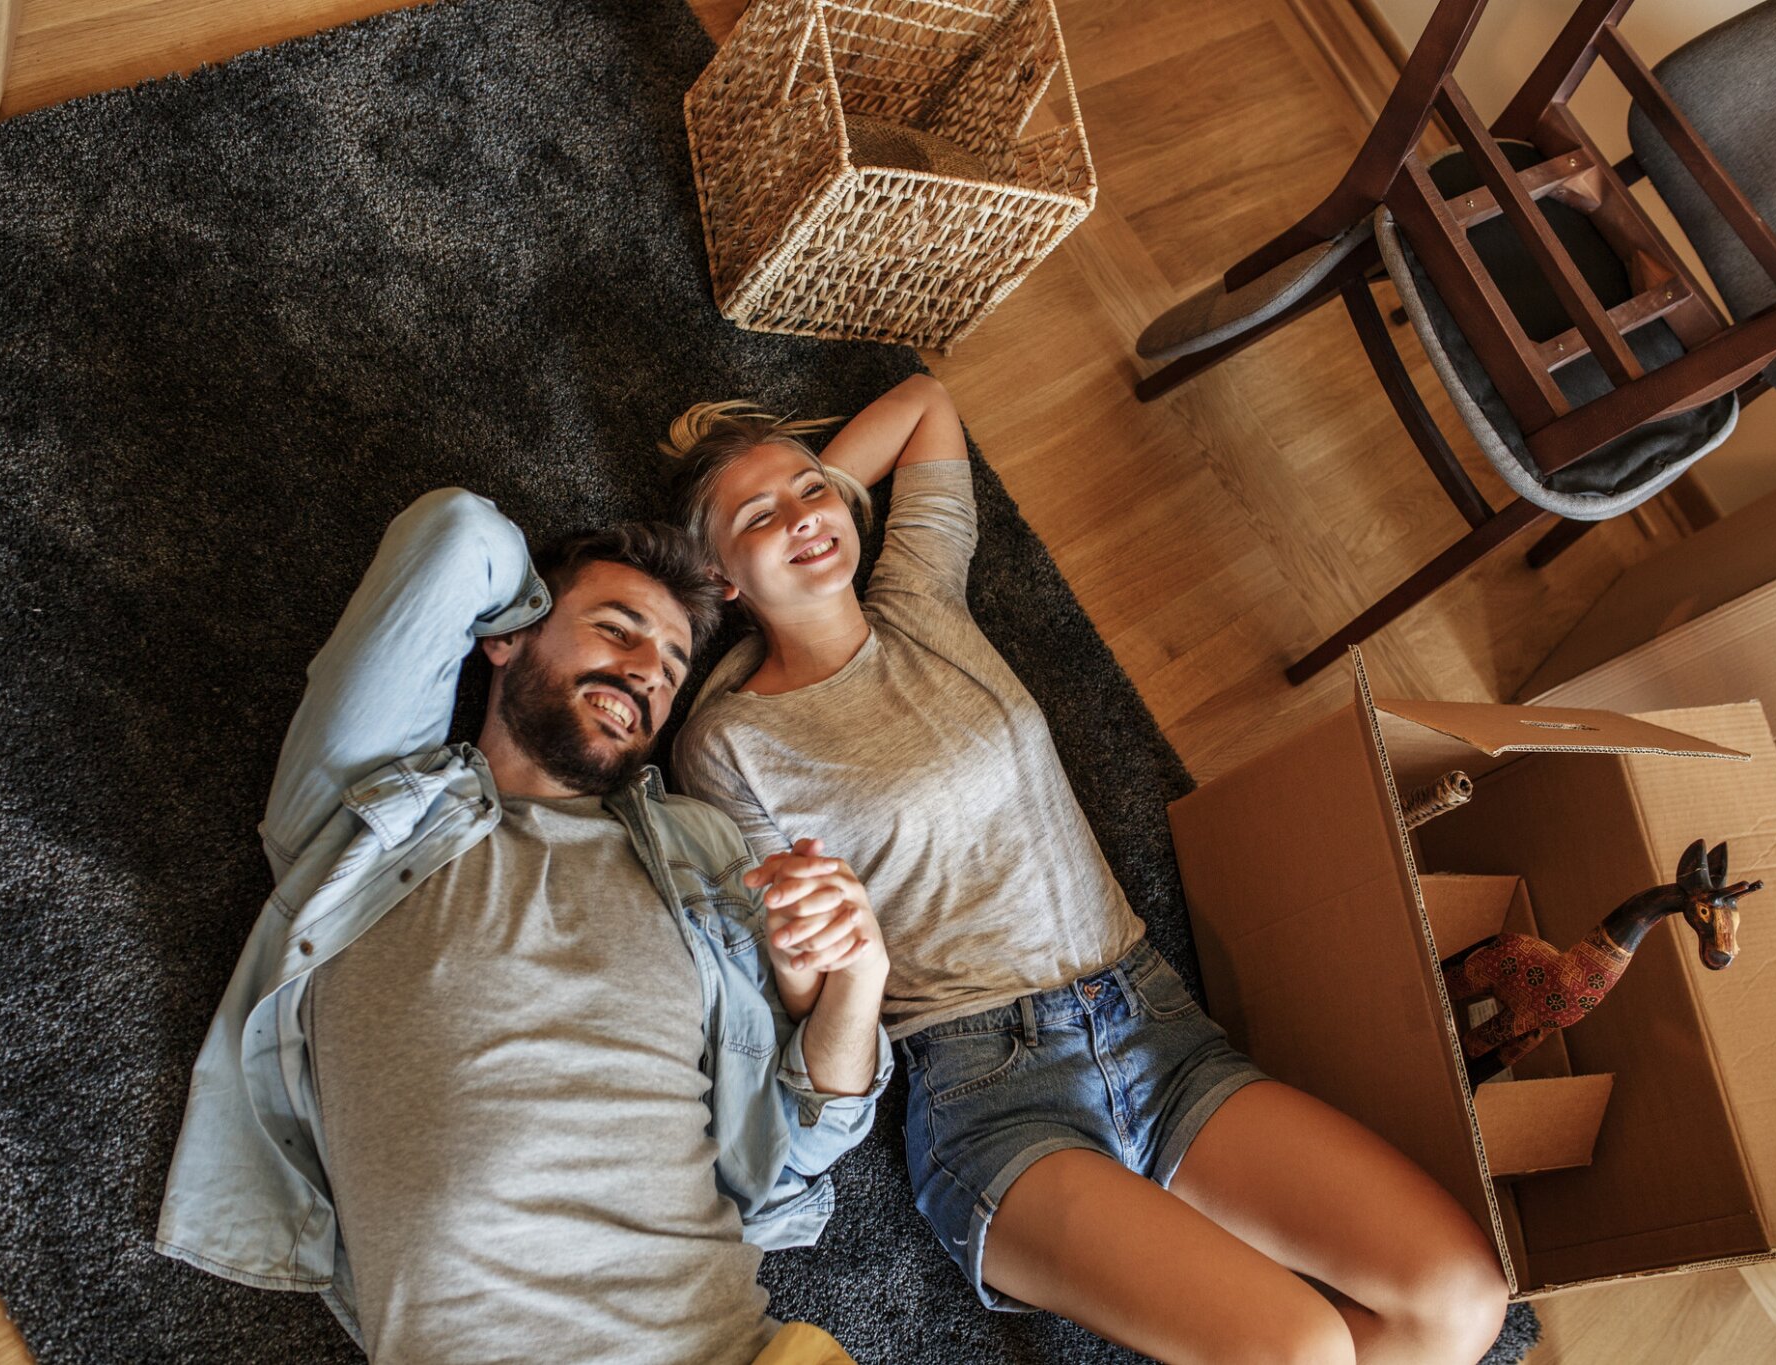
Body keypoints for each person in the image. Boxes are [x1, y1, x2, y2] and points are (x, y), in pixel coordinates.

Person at [666, 377, 1511, 1365]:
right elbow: (802, 990)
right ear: (716, 576)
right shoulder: (729, 739)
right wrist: (831, 948)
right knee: (1302, 1349)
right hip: (988, 1084)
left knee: (1459, 1303)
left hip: (1155, 1029)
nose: (803, 516)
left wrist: (801, 514)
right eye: (756, 518)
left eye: (810, 490)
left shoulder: (917, 593)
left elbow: (930, 404)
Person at [156, 488, 892, 1365]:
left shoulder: (698, 849)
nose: (646, 672)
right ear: (506, 635)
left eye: (669, 663)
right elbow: (458, 536)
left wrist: (859, 974)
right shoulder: (366, 807)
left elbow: (800, 1139)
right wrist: (665, 574)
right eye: (617, 630)